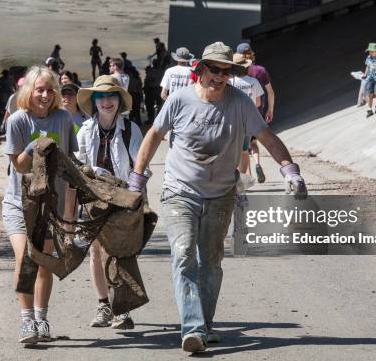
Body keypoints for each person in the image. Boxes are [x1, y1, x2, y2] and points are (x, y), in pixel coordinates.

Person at [129, 42, 307, 353]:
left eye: (226, 71)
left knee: (210, 261)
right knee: (183, 252)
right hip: (179, 191)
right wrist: (137, 179)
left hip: (221, 194)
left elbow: (266, 137)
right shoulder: (179, 100)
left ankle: (205, 325)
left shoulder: (240, 102)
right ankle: (193, 328)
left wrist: (290, 170)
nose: (220, 76)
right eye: (215, 69)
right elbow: (154, 135)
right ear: (200, 70)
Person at [2, 66, 78, 344]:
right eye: (39, 90)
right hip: (19, 204)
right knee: (25, 260)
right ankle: (26, 322)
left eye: (50, 90)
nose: (45, 95)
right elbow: (20, 166)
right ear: (29, 92)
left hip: (50, 206)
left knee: (45, 263)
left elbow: (71, 165)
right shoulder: (18, 121)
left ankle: (41, 319)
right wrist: (36, 146)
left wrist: (71, 215)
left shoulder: (63, 119)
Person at [75, 75, 144, 330]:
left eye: (111, 96)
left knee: (117, 253)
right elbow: (77, 165)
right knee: (95, 252)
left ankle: (122, 308)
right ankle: (103, 304)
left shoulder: (131, 130)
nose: (106, 101)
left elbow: (140, 164)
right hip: (92, 198)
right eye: (101, 97)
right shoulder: (84, 131)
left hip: (121, 197)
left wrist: (135, 194)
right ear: (94, 102)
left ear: (118, 100)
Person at [236, 43, 275, 183]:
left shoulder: (234, 75)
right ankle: (257, 164)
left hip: (238, 116)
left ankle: (246, 176)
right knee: (253, 143)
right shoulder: (260, 71)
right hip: (256, 113)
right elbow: (270, 92)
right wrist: (270, 110)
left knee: (242, 148)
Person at [230, 53, 264, 179]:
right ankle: (243, 179)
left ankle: (233, 177)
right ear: (246, 67)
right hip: (249, 120)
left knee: (233, 151)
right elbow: (259, 102)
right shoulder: (254, 81)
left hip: (233, 121)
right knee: (245, 150)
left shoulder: (229, 82)